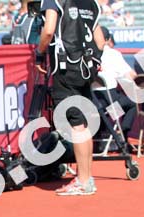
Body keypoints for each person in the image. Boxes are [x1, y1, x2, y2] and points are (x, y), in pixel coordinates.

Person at [37, 0, 104, 196]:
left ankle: (83, 181)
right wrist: (94, 61)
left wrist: (39, 53)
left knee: (76, 124)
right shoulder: (91, 3)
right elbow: (100, 41)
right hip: (85, 68)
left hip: (65, 68)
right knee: (82, 123)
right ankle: (87, 178)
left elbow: (49, 30)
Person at [92, 25, 136, 142]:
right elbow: (130, 75)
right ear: (107, 40)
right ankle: (122, 134)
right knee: (132, 104)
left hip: (90, 103)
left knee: (103, 111)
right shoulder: (113, 54)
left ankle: (101, 136)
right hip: (109, 104)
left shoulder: (86, 54)